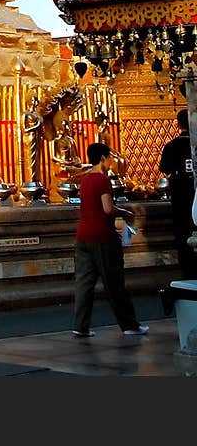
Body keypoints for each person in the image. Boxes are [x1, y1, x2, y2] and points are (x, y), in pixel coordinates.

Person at [71, 141, 147, 338]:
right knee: (114, 282)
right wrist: (126, 213)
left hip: (82, 235)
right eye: (111, 157)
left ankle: (81, 325)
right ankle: (129, 324)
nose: (113, 161)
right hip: (102, 236)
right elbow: (107, 208)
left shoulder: (85, 179)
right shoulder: (102, 179)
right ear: (103, 158)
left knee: (84, 283)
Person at [159, 109, 196, 279]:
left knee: (182, 236)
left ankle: (188, 272)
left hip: (180, 199)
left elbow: (165, 171)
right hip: (195, 196)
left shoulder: (171, 146)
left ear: (179, 124)